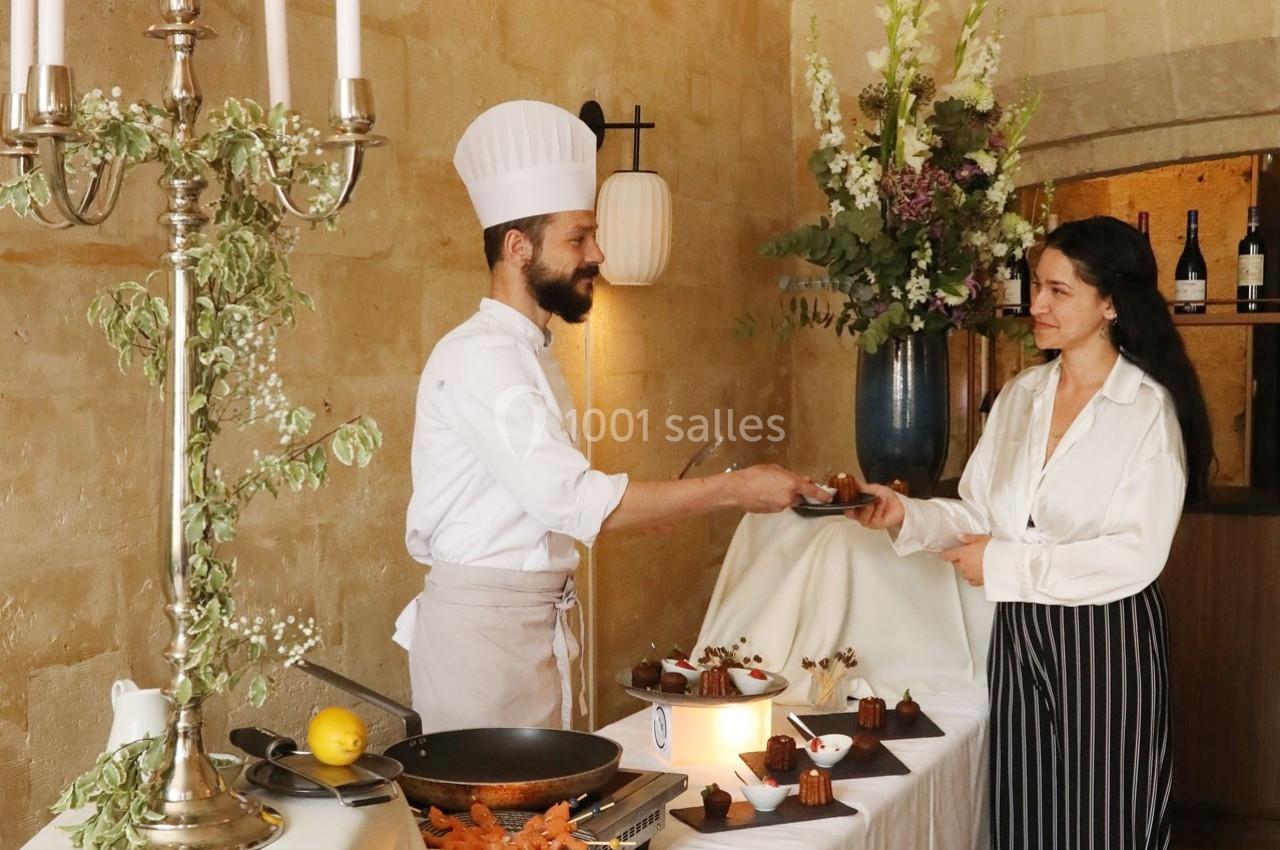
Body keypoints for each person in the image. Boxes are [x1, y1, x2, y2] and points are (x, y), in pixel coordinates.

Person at [397, 100, 827, 733]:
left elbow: (551, 505)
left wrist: (658, 509)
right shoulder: (481, 357)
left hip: (528, 630)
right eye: (578, 237)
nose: (598, 252)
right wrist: (735, 488)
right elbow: (575, 501)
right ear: (518, 247)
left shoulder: (532, 352)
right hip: (481, 648)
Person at [852, 216, 1212, 850]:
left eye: (1058, 291)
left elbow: (1135, 554)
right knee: (1027, 813)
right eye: (1037, 286)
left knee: (1108, 819)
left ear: (1109, 304)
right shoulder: (1021, 395)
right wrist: (904, 514)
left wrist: (1004, 565)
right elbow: (980, 514)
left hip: (1107, 639)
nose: (1037, 304)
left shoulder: (1147, 411)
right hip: (1020, 633)